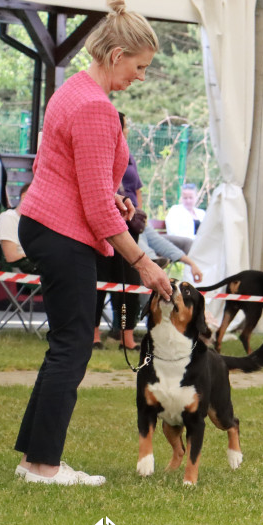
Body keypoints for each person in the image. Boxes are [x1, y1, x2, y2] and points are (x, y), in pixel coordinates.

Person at [14, 0, 172, 486]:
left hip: (45, 221)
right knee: (74, 345)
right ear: (114, 55)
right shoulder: (95, 108)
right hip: (62, 233)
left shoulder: (73, 91)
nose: (141, 76)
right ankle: (44, 466)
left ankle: (32, 460)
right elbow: (96, 208)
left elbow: (73, 175)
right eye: (139, 66)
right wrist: (144, 264)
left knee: (65, 343)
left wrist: (114, 198)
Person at [94, 112, 143, 350]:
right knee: (100, 281)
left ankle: (127, 337)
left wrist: (138, 214)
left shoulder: (128, 154)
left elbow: (137, 187)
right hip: (103, 226)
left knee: (129, 283)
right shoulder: (99, 151)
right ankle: (94, 336)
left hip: (128, 225)